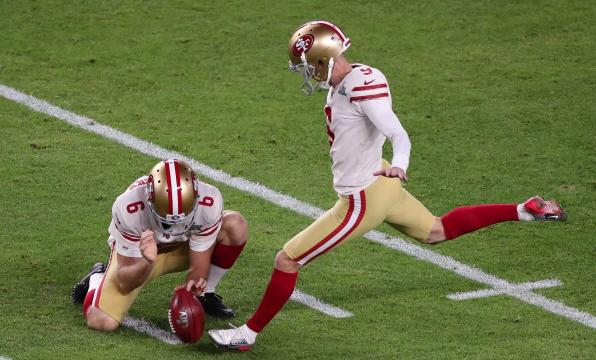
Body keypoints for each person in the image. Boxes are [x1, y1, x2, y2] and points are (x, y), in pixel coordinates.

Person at [209, 20, 566, 351]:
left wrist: (400, 165)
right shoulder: (356, 77)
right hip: (380, 182)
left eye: (308, 65)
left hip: (364, 196)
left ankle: (246, 335)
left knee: (287, 259)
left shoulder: (359, 89)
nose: (306, 73)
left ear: (323, 61)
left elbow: (399, 133)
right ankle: (525, 210)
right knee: (436, 231)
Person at [71, 159, 248, 331]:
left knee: (234, 225)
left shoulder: (210, 201)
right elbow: (125, 282)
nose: (175, 226)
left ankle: (206, 295)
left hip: (183, 247)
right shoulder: (128, 207)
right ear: (150, 200)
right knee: (101, 321)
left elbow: (199, 265)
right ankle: (98, 278)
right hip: (140, 256)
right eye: (166, 221)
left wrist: (192, 292)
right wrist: (147, 262)